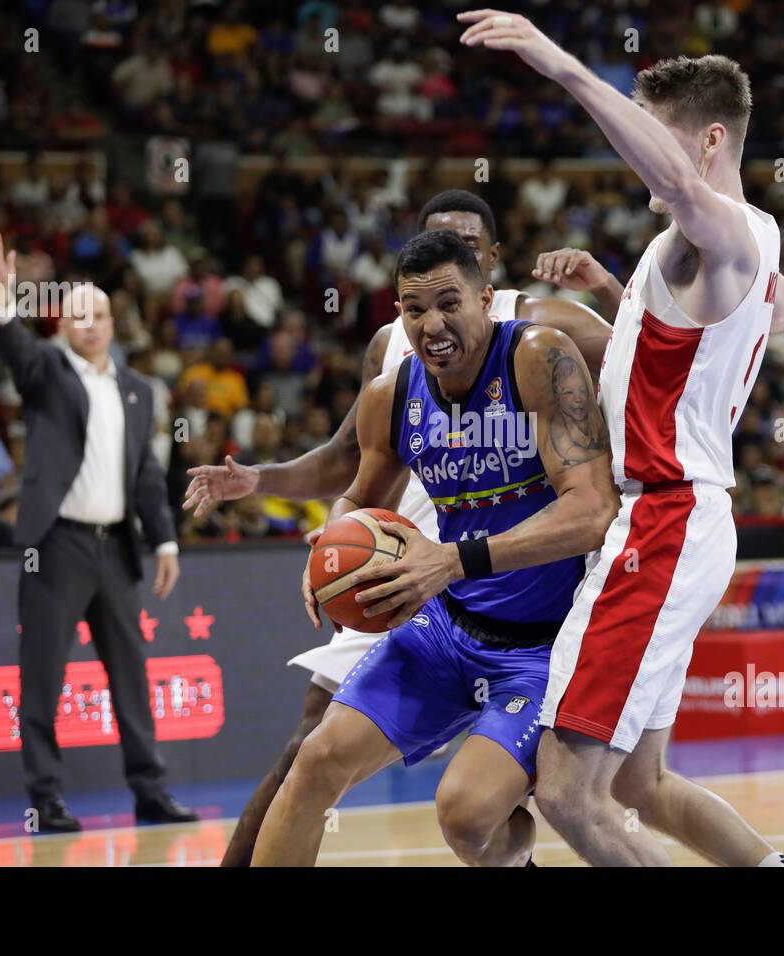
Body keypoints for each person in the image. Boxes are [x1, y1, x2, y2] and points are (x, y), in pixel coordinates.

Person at [185, 189, 618, 866]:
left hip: (543, 648)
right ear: (398, 315)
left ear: (486, 296)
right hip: (443, 626)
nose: (433, 323)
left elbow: (591, 512)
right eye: (416, 309)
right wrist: (328, 551)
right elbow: (355, 492)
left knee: (467, 816)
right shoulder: (392, 393)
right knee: (316, 756)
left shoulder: (541, 353)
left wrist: (452, 559)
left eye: (449, 303)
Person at [460, 12, 784, 866]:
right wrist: (622, 293)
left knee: (569, 791)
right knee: (643, 785)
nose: (638, 154)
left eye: (660, 133)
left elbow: (690, 195)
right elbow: (765, 317)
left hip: (663, 521)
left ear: (709, 139)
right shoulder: (724, 250)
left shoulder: (720, 228)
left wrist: (560, 65)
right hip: (685, 518)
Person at [0, 232, 195, 834]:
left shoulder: (137, 389)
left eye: (97, 314)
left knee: (132, 677)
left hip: (116, 547)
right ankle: (45, 800)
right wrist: (0, 296)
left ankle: (150, 791)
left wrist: (165, 540)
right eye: (76, 315)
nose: (89, 324)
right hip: (57, 547)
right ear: (62, 324)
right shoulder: (45, 370)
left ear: (112, 322)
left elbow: (147, 473)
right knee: (43, 675)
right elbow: (13, 346)